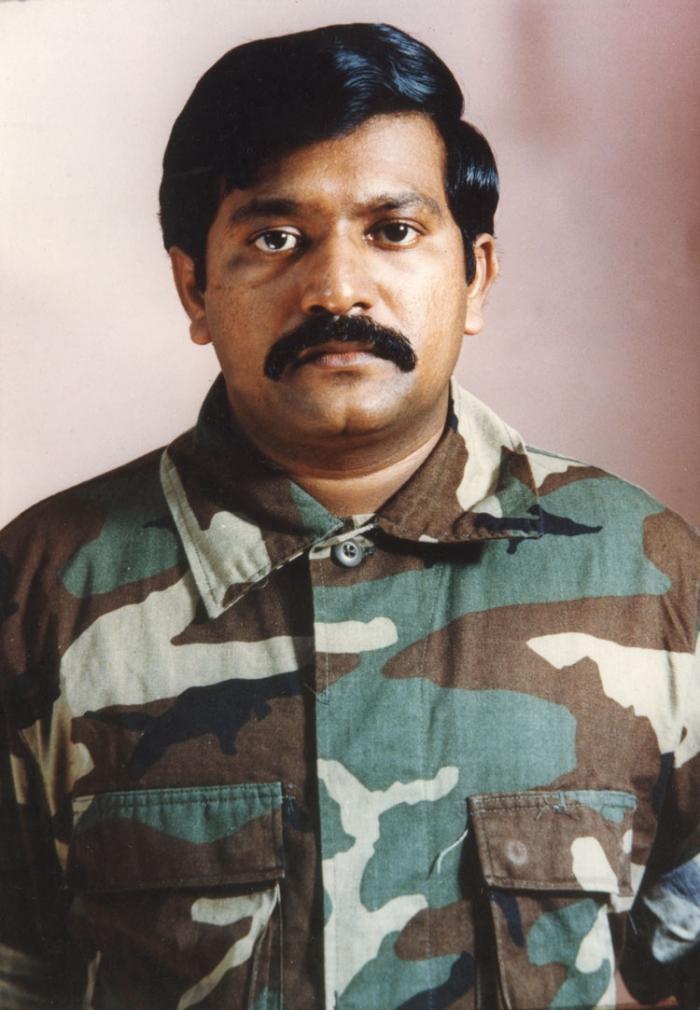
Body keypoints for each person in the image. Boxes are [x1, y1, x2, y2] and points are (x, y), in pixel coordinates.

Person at [0, 21, 697, 1010]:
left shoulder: (648, 574)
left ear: (475, 276)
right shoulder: (39, 590)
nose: (335, 288)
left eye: (393, 230)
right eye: (274, 238)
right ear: (195, 286)